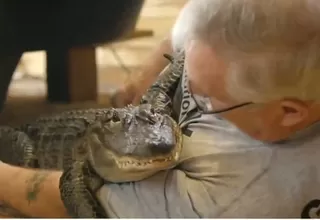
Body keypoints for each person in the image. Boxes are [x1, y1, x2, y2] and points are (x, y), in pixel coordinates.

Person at [2, 0, 320, 217]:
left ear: (290, 111)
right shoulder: (283, 29)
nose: (191, 96)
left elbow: (59, 199)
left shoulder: (224, 201)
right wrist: (158, 60)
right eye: (185, 68)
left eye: (207, 97)